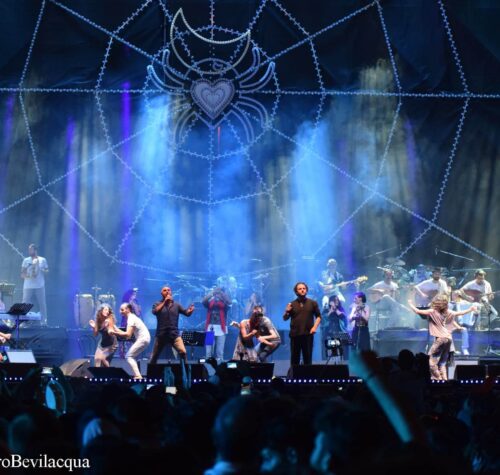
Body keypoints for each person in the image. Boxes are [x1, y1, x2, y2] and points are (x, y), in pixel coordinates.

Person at [408, 295, 476, 380]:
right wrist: (470, 309)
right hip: (448, 339)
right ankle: (445, 380)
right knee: (442, 364)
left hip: (441, 339)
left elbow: (417, 311)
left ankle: (438, 379)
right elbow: (460, 313)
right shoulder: (447, 312)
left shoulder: (432, 311)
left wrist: (410, 304)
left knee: (431, 361)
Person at [149, 286, 194, 364]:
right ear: (161, 293)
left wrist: (190, 311)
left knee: (183, 352)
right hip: (161, 335)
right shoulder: (157, 304)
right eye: (164, 290)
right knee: (154, 357)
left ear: (171, 292)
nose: (167, 291)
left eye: (168, 290)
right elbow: (155, 312)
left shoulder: (176, 305)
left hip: (174, 335)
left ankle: (185, 370)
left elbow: (186, 313)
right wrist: (164, 302)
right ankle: (151, 371)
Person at [283, 282, 321, 366]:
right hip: (295, 335)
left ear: (306, 290)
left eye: (304, 288)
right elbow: (285, 318)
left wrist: (314, 327)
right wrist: (286, 311)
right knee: (294, 359)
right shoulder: (292, 304)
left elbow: (318, 317)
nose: (302, 290)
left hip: (308, 334)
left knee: (307, 359)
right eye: (300, 289)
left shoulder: (313, 303)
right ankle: (294, 374)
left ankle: (307, 374)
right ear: (296, 292)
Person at [110, 303, 151, 379]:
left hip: (143, 339)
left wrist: (114, 332)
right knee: (131, 356)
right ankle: (138, 375)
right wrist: (114, 328)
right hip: (144, 339)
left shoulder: (131, 318)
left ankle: (138, 376)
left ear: (128, 310)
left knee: (129, 356)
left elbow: (127, 335)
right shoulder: (132, 317)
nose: (120, 311)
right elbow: (127, 335)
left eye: (122, 310)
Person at [21, 244, 48, 325]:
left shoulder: (42, 260)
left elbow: (47, 271)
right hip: (28, 286)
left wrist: (41, 269)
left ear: (35, 250)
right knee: (24, 303)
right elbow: (22, 274)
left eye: (31, 249)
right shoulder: (26, 260)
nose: (29, 251)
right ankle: (22, 322)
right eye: (29, 249)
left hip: (40, 285)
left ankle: (44, 322)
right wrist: (29, 276)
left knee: (42, 303)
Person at [203, 287, 232, 363]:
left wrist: (222, 294)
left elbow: (230, 302)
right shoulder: (210, 302)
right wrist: (212, 293)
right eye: (217, 292)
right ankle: (208, 368)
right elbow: (203, 301)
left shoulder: (225, 304)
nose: (217, 294)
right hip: (210, 328)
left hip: (221, 329)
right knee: (208, 352)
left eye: (219, 292)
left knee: (220, 352)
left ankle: (219, 368)